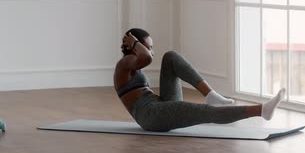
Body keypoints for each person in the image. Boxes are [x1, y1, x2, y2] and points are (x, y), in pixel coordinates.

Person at [114, 28, 285, 132]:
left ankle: (210, 93)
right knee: (205, 112)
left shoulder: (132, 64)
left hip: (159, 105)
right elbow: (147, 58)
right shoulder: (125, 63)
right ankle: (262, 111)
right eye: (148, 47)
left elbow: (147, 58)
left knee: (170, 57)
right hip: (151, 115)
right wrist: (135, 43)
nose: (152, 52)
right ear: (133, 46)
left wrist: (137, 44)